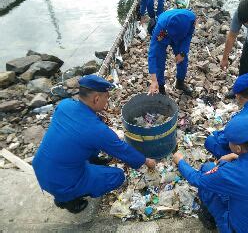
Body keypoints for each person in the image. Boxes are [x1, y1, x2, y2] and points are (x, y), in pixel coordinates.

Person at [32, 74, 156, 214]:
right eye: (106, 98)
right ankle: (68, 200)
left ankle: (92, 162)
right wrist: (145, 161)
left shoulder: (65, 104)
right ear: (96, 99)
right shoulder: (96, 130)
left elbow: (73, 132)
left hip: (41, 168)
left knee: (82, 143)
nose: (107, 101)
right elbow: (122, 150)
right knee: (117, 176)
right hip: (62, 182)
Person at [173, 115, 248, 232]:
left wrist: (180, 161)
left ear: (238, 148)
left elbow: (197, 179)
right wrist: (235, 158)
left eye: (229, 141)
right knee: (210, 168)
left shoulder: (231, 173)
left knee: (207, 180)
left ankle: (211, 220)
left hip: (237, 229)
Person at [148, 9, 196, 96]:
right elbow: (152, 54)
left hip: (181, 38)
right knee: (159, 60)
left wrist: (183, 52)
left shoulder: (191, 19)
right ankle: (161, 87)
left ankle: (180, 82)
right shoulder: (160, 28)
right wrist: (153, 80)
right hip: (164, 35)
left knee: (182, 59)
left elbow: (188, 36)